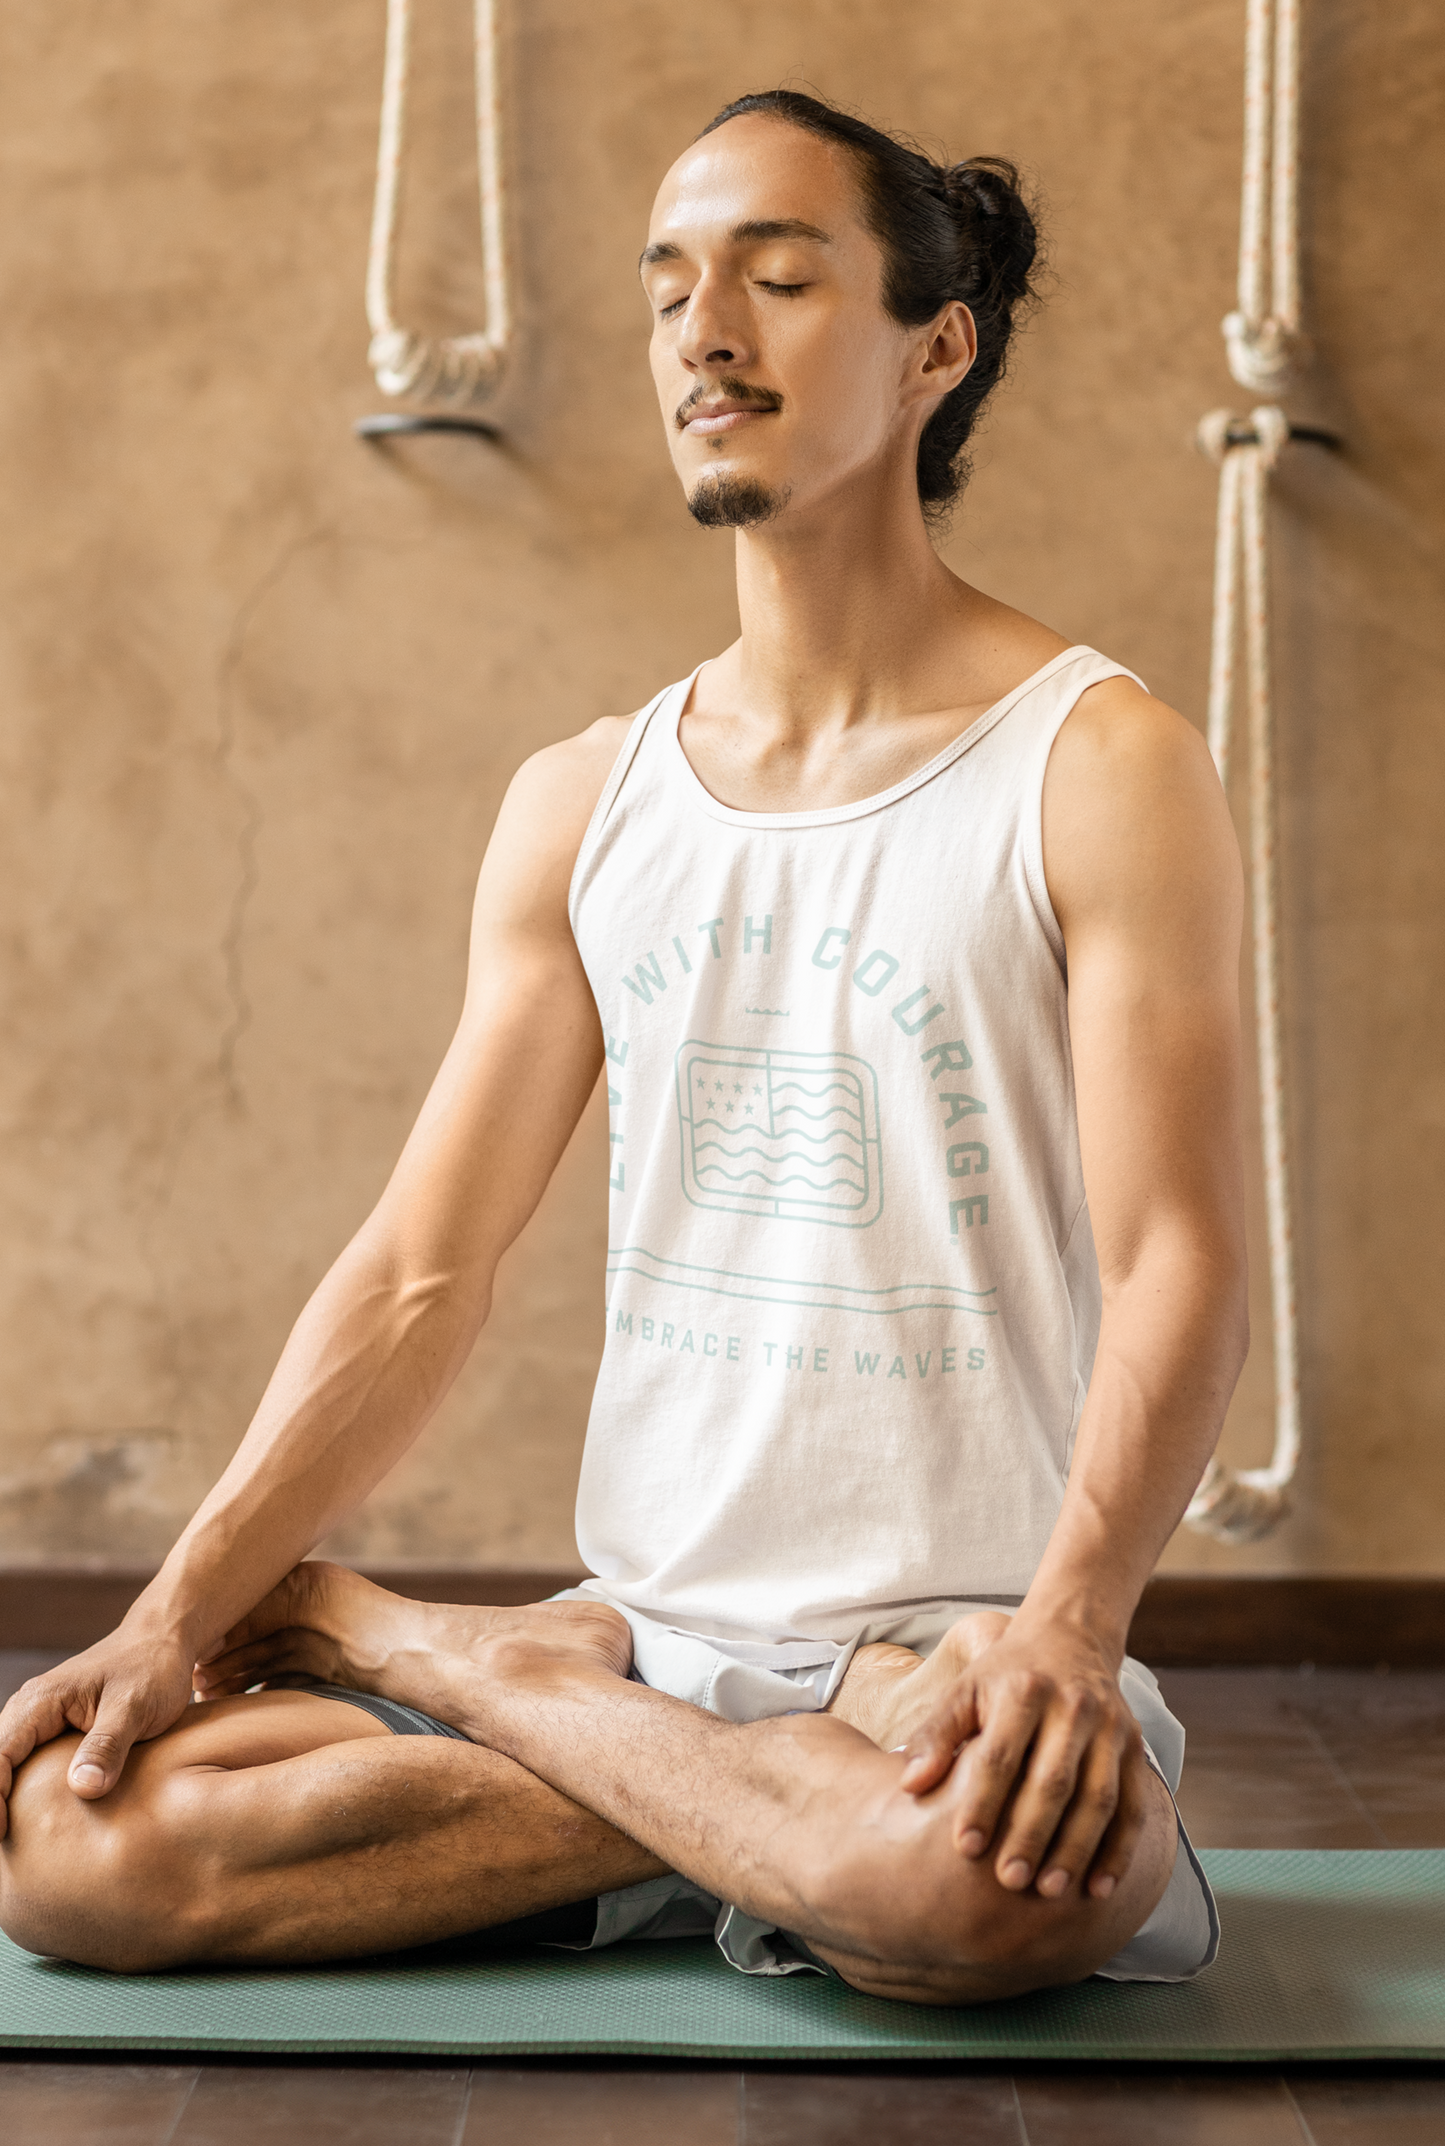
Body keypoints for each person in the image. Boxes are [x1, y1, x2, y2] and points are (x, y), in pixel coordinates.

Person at [0, 89, 1245, 2005]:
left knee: (996, 1885)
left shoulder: (1101, 765)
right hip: (645, 1635)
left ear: (939, 346)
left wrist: (1071, 1631)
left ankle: (457, 1663)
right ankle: (771, 1823)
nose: (704, 331)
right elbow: (424, 1270)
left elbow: (1181, 1262)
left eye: (777, 273)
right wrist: (179, 1608)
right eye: (670, 286)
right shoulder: (586, 801)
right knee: (70, 1851)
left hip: (937, 1654)